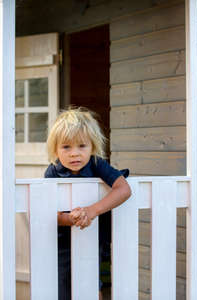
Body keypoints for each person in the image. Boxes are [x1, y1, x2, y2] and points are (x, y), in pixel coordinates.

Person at [44, 107, 131, 300]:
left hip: (94, 237)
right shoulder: (52, 172)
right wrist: (70, 218)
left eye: (82, 146)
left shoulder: (97, 164)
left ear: (92, 147)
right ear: (55, 149)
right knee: (64, 287)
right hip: (62, 244)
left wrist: (91, 211)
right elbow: (51, 213)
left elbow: (123, 189)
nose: (74, 153)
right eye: (66, 147)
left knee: (91, 284)